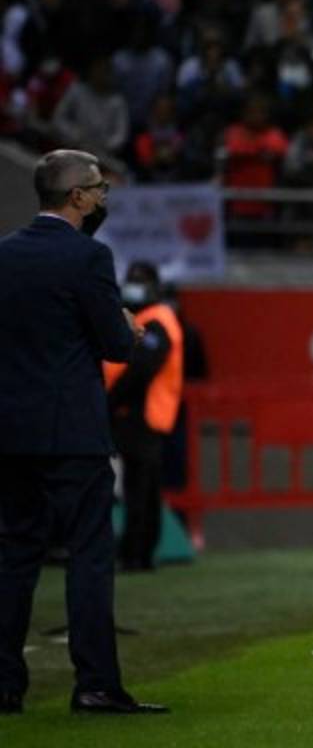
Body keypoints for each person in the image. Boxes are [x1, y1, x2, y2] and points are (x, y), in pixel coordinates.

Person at [0, 149, 167, 715]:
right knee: (89, 557)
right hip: (73, 434)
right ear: (76, 196)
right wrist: (127, 324)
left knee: (14, 555)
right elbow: (117, 347)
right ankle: (96, 684)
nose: (102, 199)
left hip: (12, 433)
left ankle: (5, 685)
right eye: (98, 190)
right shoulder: (89, 257)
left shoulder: (4, 255)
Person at [103, 261, 184, 573]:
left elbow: (142, 370)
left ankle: (136, 553)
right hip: (143, 413)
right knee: (142, 487)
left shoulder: (157, 322)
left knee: (139, 488)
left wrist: (110, 401)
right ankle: (140, 552)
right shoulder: (149, 318)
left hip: (142, 414)